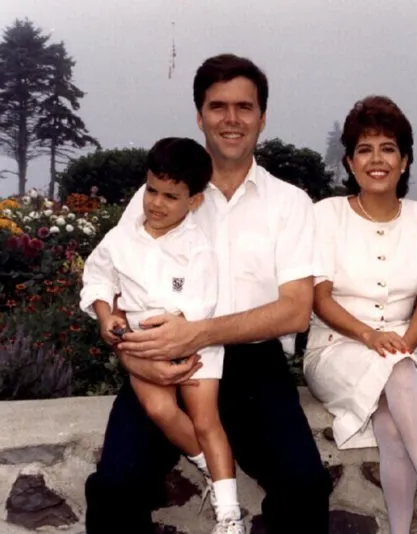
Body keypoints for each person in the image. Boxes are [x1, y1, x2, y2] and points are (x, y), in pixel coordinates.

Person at [83, 54, 332, 534]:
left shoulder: (290, 204)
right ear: (199, 115)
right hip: (162, 364)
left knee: (304, 486)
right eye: (218, 106)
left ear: (263, 115)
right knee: (116, 486)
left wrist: (195, 334)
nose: (231, 119)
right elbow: (112, 280)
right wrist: (128, 350)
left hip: (255, 368)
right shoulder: (156, 195)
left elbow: (296, 312)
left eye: (245, 106)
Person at [303, 95, 417, 534]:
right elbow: (320, 298)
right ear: (349, 161)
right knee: (396, 372)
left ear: (404, 160)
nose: (376, 159)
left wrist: (403, 343)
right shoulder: (326, 216)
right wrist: (369, 336)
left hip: (403, 345)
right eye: (365, 149)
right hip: (336, 347)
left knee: (391, 423)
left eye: (387, 148)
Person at [80, 137, 245, 532]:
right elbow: (98, 277)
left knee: (206, 420)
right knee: (158, 409)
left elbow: (202, 302)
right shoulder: (121, 239)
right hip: (141, 345)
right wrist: (105, 316)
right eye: (151, 191)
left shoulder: (197, 248)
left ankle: (229, 514)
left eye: (171, 196)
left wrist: (179, 329)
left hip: (195, 344)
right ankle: (210, 468)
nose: (156, 203)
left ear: (194, 202)